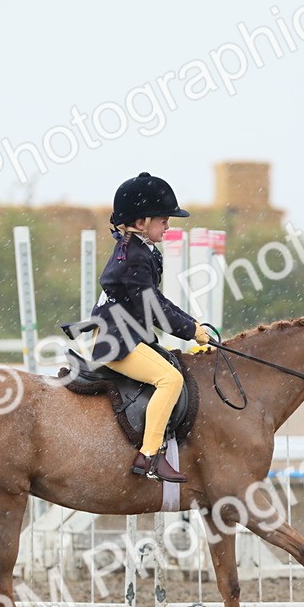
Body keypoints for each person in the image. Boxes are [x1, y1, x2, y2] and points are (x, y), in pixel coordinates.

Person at [85, 172, 210, 483]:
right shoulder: (134, 258)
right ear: (141, 223)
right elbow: (154, 308)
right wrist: (191, 330)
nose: (167, 226)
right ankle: (150, 455)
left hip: (126, 333)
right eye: (163, 220)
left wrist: (192, 324)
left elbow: (156, 300)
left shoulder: (138, 250)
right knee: (170, 379)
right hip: (116, 341)